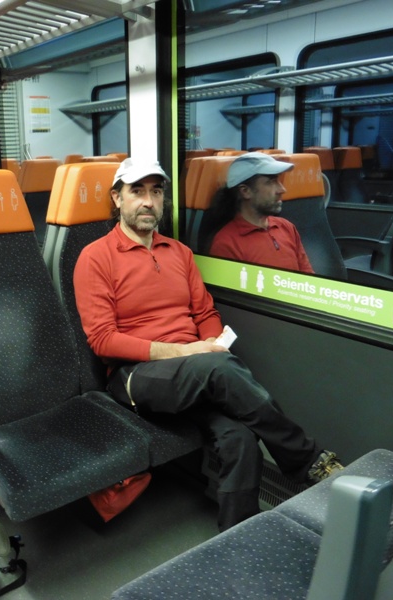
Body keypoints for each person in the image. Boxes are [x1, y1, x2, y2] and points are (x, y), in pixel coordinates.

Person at [73, 157, 342, 532]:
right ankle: (307, 460)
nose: (149, 201)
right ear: (117, 199)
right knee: (217, 367)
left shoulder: (179, 253)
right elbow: (103, 341)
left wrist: (211, 341)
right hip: (136, 376)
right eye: (137, 191)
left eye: (156, 191)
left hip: (195, 370)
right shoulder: (95, 257)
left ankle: (239, 533)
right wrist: (189, 353)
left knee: (240, 436)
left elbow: (204, 312)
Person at [206, 152, 313, 273]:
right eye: (271, 182)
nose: (282, 189)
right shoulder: (227, 244)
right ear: (245, 191)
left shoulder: (287, 228)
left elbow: (308, 279)